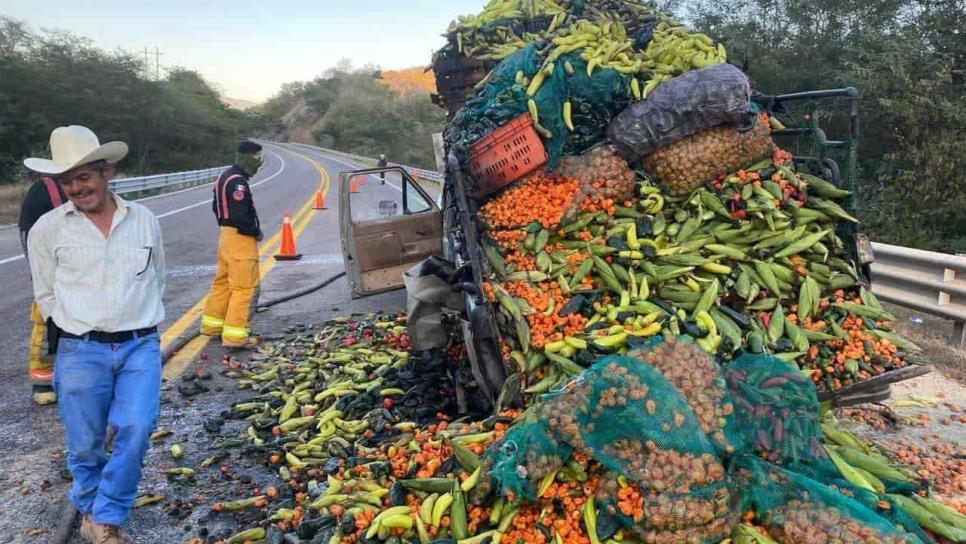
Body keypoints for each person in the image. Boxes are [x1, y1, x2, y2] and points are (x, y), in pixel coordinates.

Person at [26, 125, 166, 544]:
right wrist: (76, 325)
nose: (75, 187)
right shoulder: (47, 230)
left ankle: (107, 517)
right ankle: (90, 508)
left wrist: (133, 317)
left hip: (140, 343)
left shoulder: (144, 220)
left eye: (83, 177)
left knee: (137, 427)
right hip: (80, 350)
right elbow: (45, 292)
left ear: (108, 172)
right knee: (85, 445)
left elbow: (158, 276)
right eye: (66, 180)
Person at [199, 141, 264, 349]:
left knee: (223, 282)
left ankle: (212, 325)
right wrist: (255, 231)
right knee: (244, 287)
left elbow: (215, 207)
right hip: (240, 239)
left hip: (225, 236)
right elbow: (241, 215)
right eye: (256, 156)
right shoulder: (238, 182)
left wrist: (225, 225)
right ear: (246, 157)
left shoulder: (223, 176)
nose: (258, 160)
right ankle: (236, 337)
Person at [18, 175, 67, 405]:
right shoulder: (44, 191)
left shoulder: (71, 182)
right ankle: (43, 380)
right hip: (48, 249)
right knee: (47, 314)